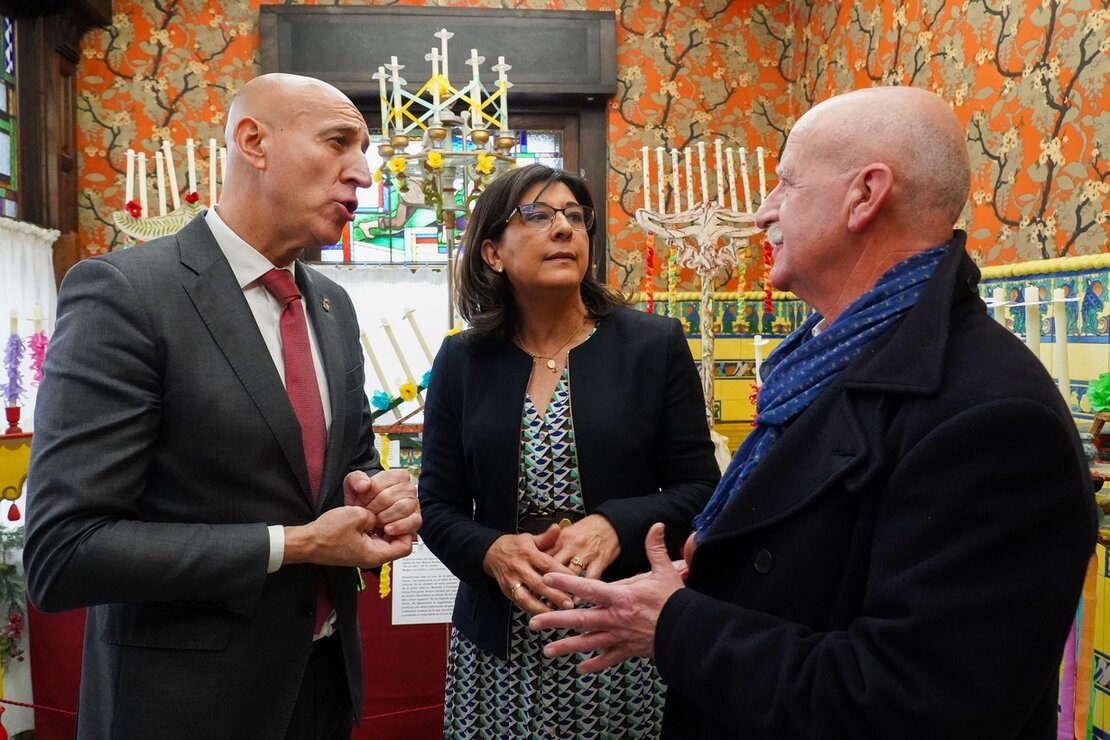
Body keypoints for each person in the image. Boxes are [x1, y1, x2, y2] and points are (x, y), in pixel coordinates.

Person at [531, 86, 1097, 739]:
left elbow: (912, 705)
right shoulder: (827, 362)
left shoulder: (994, 419)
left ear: (865, 196)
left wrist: (678, 623)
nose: (762, 212)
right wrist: (721, 578)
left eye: (786, 184)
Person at [24, 73, 421, 739]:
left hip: (320, 690)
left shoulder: (331, 303)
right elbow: (65, 552)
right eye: (337, 143)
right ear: (253, 141)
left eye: (366, 152)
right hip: (180, 707)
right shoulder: (127, 294)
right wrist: (292, 546)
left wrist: (380, 492)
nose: (362, 175)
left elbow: (344, 470)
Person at [417, 163, 720, 737]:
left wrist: (614, 525)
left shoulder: (653, 344)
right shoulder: (461, 360)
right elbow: (436, 505)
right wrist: (492, 552)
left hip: (623, 634)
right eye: (537, 215)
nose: (564, 229)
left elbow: (702, 490)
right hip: (499, 644)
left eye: (575, 217)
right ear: (492, 253)